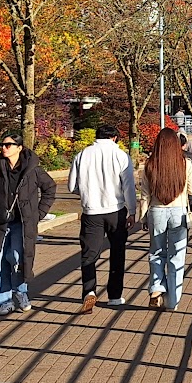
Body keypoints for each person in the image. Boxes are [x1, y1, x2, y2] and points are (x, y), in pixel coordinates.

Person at [0, 133, 57, 316]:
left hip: (22, 223)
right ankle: (4, 301)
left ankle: (20, 291)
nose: (4, 148)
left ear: (19, 148)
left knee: (17, 258)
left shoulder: (33, 170)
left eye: (9, 145)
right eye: (2, 145)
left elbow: (50, 188)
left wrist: (38, 213)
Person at [70, 125, 136, 314]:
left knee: (89, 254)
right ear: (114, 138)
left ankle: (89, 291)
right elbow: (128, 186)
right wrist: (132, 210)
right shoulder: (121, 155)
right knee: (117, 253)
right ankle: (114, 296)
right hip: (116, 209)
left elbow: (71, 185)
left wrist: (85, 194)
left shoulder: (82, 154)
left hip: (91, 211)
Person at [141, 128, 192, 311]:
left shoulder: (150, 164)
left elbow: (145, 195)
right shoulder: (185, 163)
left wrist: (143, 216)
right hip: (178, 212)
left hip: (156, 211)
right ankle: (172, 299)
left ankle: (157, 290)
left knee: (157, 253)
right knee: (177, 256)